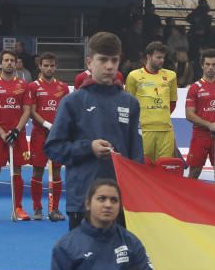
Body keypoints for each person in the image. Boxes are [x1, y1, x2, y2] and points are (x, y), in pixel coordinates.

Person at [44, 32, 143, 229]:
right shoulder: (72, 102)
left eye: (114, 60)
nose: (109, 66)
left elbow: (136, 157)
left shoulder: (130, 102)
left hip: (120, 203)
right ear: (89, 62)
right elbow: (53, 148)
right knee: (83, 259)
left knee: (120, 259)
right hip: (83, 200)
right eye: (103, 60)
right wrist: (89, 148)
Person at [0, 49, 31, 221]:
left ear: (16, 63)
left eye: (12, 60)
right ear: (1, 63)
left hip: (18, 135)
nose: (9, 63)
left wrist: (16, 130)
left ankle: (18, 208)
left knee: (17, 170)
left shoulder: (23, 85)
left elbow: (27, 111)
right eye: (6, 60)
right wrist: (2, 133)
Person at [25, 53, 69, 221]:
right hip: (39, 133)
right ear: (40, 67)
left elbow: (66, 111)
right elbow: (31, 111)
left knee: (57, 170)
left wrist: (58, 127)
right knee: (37, 170)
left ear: (55, 67)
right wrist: (46, 124)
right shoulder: (33, 86)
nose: (49, 68)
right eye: (46, 65)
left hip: (58, 136)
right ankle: (37, 208)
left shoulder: (63, 87)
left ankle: (55, 208)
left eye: (52, 65)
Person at [185, 50, 215, 185]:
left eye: (214, 64)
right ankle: (188, 202)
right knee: (194, 172)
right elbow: (189, 114)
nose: (211, 67)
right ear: (202, 65)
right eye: (207, 64)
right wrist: (209, 125)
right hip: (200, 135)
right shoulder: (194, 88)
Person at [125, 42, 177, 165]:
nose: (162, 60)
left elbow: (172, 103)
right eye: (158, 57)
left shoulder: (171, 76)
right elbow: (128, 103)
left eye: (163, 57)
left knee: (164, 169)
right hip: (143, 130)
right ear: (148, 57)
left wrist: (159, 116)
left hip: (165, 130)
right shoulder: (134, 76)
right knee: (142, 168)